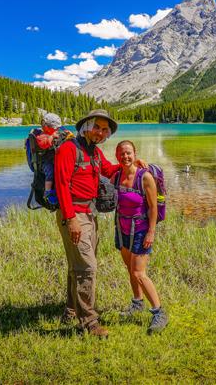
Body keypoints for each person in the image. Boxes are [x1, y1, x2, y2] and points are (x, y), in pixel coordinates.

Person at [53, 109, 122, 337]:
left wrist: (129, 165)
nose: (101, 132)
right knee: (87, 268)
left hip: (90, 215)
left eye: (105, 130)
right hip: (74, 215)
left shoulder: (94, 153)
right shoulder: (68, 149)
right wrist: (70, 218)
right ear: (86, 127)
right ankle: (90, 323)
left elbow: (108, 170)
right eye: (97, 127)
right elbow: (61, 184)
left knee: (78, 266)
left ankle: (71, 310)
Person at [113, 140, 168, 334]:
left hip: (141, 230)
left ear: (135, 153)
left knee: (139, 273)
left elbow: (153, 208)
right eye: (121, 153)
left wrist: (151, 232)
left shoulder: (144, 177)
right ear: (116, 155)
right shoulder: (117, 175)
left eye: (128, 153)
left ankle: (159, 312)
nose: (125, 156)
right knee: (130, 269)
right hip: (122, 229)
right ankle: (137, 304)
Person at [29, 112, 70, 205]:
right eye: (55, 128)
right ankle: (48, 192)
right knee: (50, 173)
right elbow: (43, 145)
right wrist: (51, 137)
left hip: (52, 159)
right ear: (47, 127)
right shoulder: (41, 136)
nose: (57, 129)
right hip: (45, 161)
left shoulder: (52, 132)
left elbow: (61, 133)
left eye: (58, 128)